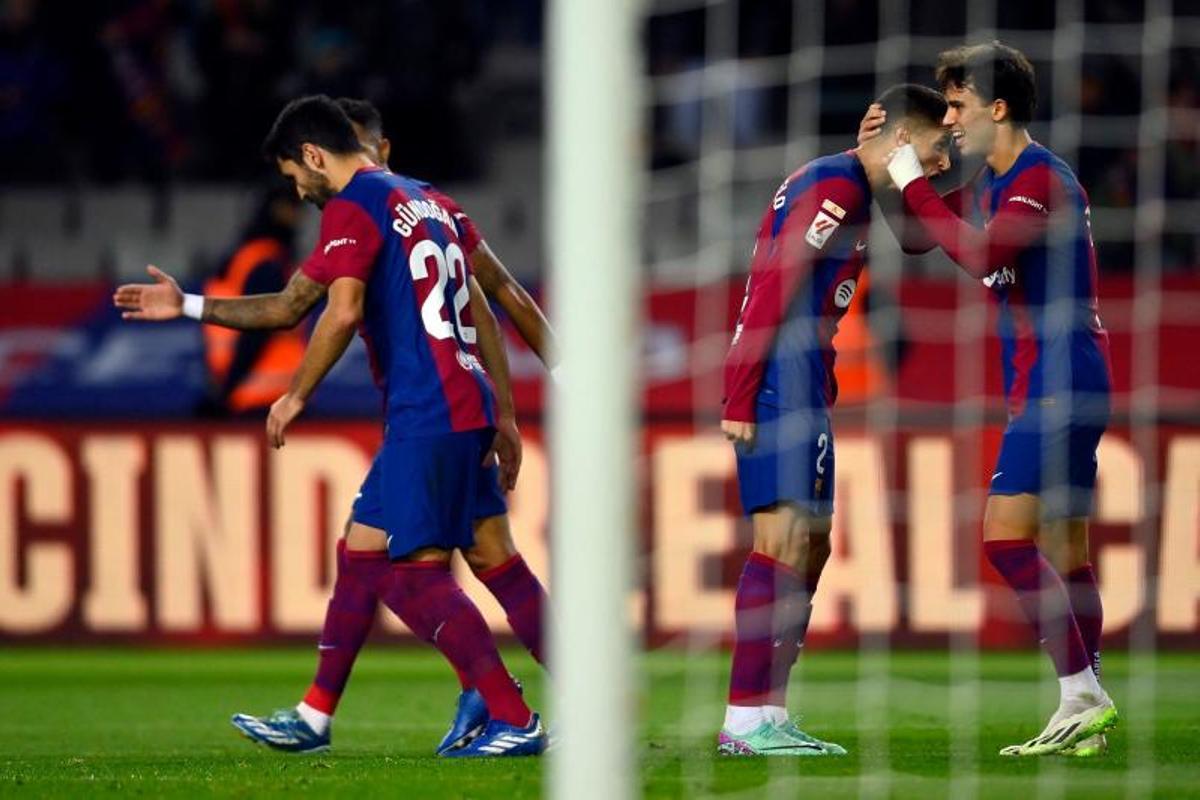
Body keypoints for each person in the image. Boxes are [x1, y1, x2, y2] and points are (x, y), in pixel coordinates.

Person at [114, 95, 546, 758]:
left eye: (295, 175)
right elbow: (292, 304)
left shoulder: (354, 205)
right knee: (377, 548)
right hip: (461, 401)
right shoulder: (432, 200)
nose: (298, 189)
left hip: (429, 410)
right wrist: (189, 304)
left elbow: (338, 315)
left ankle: (510, 714)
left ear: (314, 156)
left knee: (414, 575)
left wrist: (295, 395)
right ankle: (317, 716)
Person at [874, 42, 1117, 757]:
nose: (949, 120)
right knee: (1067, 550)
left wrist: (912, 177)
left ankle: (1081, 693)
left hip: (1059, 380)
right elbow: (922, 238)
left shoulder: (1040, 177)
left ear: (998, 107)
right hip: (1059, 379)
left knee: (1003, 538)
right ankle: (1088, 718)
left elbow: (980, 255)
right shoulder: (993, 183)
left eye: (958, 105)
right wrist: (891, 172)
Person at [717, 84, 951, 757]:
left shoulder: (853, 183)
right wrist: (740, 394)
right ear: (904, 137)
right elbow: (773, 286)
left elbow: (916, 242)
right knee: (784, 543)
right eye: (935, 150)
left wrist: (898, 165)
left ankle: (770, 710)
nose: (940, 166)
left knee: (811, 549)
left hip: (806, 380)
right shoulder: (833, 183)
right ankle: (745, 719)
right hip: (779, 379)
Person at [199, 185, 305, 416]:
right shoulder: (266, 263)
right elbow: (256, 330)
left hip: (250, 392)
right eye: (295, 208)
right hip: (261, 396)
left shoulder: (244, 258)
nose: (299, 217)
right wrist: (227, 390)